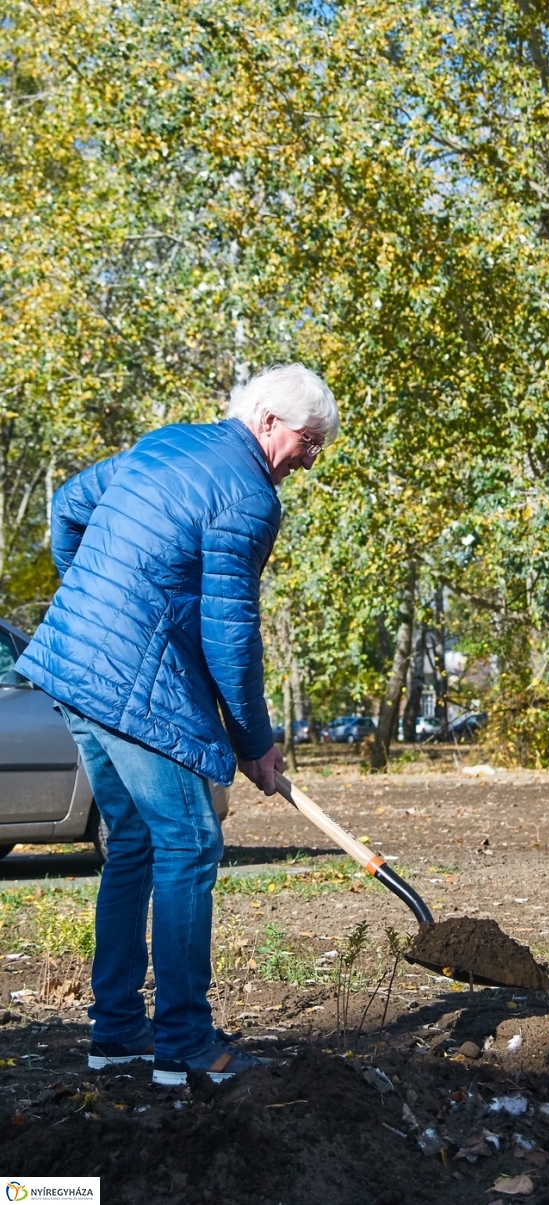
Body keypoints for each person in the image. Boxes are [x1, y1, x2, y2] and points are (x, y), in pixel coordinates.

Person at [16, 363, 339, 1085]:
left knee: (132, 839)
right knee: (190, 841)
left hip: (74, 668)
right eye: (310, 441)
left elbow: (69, 505)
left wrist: (94, 597)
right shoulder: (249, 497)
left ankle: (116, 1032)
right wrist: (254, 742)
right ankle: (186, 1043)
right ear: (268, 421)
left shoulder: (163, 443)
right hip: (127, 684)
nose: (311, 461)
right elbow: (231, 634)